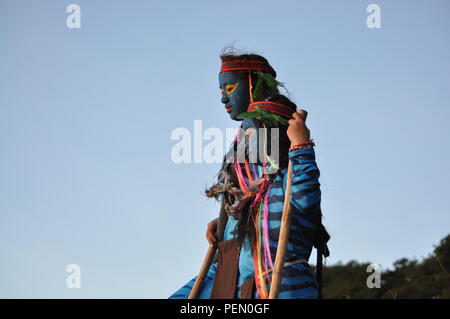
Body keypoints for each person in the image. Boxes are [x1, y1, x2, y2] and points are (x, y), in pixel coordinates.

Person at [169, 49, 329, 299]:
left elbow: (305, 199)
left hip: (275, 279)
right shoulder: (244, 167)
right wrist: (227, 222)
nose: (223, 99)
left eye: (230, 88)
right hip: (230, 270)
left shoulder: (286, 181)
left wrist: (301, 147)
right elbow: (244, 196)